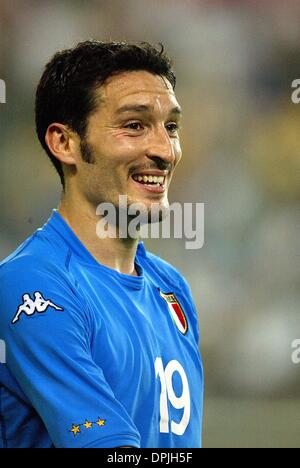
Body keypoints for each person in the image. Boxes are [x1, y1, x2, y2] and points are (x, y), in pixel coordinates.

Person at [0, 41, 203, 448]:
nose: (165, 150)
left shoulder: (171, 288)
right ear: (65, 143)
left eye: (172, 127)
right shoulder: (32, 287)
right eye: (134, 125)